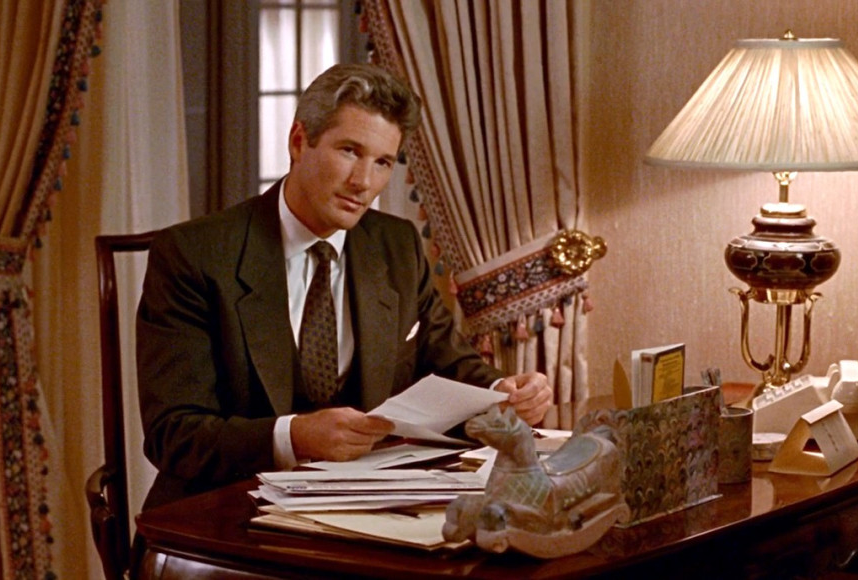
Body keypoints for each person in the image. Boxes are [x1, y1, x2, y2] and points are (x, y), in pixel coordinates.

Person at [136, 63, 552, 510]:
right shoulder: (194, 254)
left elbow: (448, 363)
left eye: (383, 162)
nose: (364, 182)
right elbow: (173, 434)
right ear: (299, 141)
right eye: (350, 151)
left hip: (364, 509)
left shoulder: (396, 246)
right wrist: (294, 436)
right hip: (226, 511)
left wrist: (504, 393)